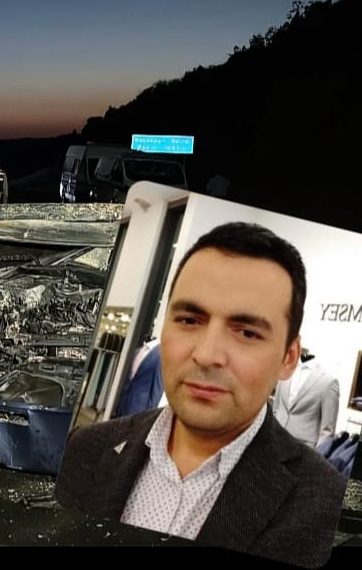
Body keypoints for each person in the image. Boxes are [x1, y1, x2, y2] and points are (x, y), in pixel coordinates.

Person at [54, 221, 347, 569]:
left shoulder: (323, 506)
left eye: (247, 333)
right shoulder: (86, 449)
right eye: (190, 320)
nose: (208, 355)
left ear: (288, 358)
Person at [272, 349, 339, 449]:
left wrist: (314, 459)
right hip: (272, 441)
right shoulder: (285, 371)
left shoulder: (328, 382)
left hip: (302, 451)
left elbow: (327, 431)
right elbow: (275, 409)